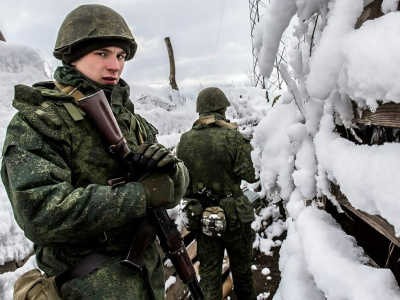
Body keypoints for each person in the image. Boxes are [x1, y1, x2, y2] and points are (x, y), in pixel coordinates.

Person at [1, 4, 189, 300]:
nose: (115, 65)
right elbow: (39, 212)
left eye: (121, 55)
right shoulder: (40, 121)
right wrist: (138, 195)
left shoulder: (131, 121)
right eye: (102, 53)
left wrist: (171, 172)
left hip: (146, 284)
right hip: (86, 288)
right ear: (72, 56)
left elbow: (174, 189)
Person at [176, 87, 258, 300]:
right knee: (242, 273)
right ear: (222, 108)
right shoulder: (232, 137)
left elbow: (182, 184)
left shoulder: (184, 140)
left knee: (209, 276)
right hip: (234, 217)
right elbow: (250, 174)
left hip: (204, 219)